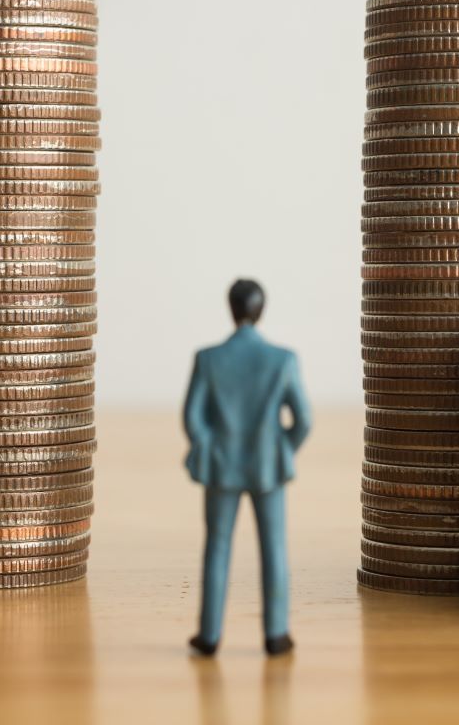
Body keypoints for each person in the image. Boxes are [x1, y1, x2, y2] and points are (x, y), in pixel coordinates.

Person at [182, 279, 312, 657]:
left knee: (217, 548)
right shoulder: (282, 359)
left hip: (222, 467)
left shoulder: (208, 358)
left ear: (231, 308)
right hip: (267, 467)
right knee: (274, 547)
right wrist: (282, 449)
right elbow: (303, 419)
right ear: (261, 310)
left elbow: (193, 419)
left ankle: (209, 635)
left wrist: (209, 447)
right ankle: (276, 633)